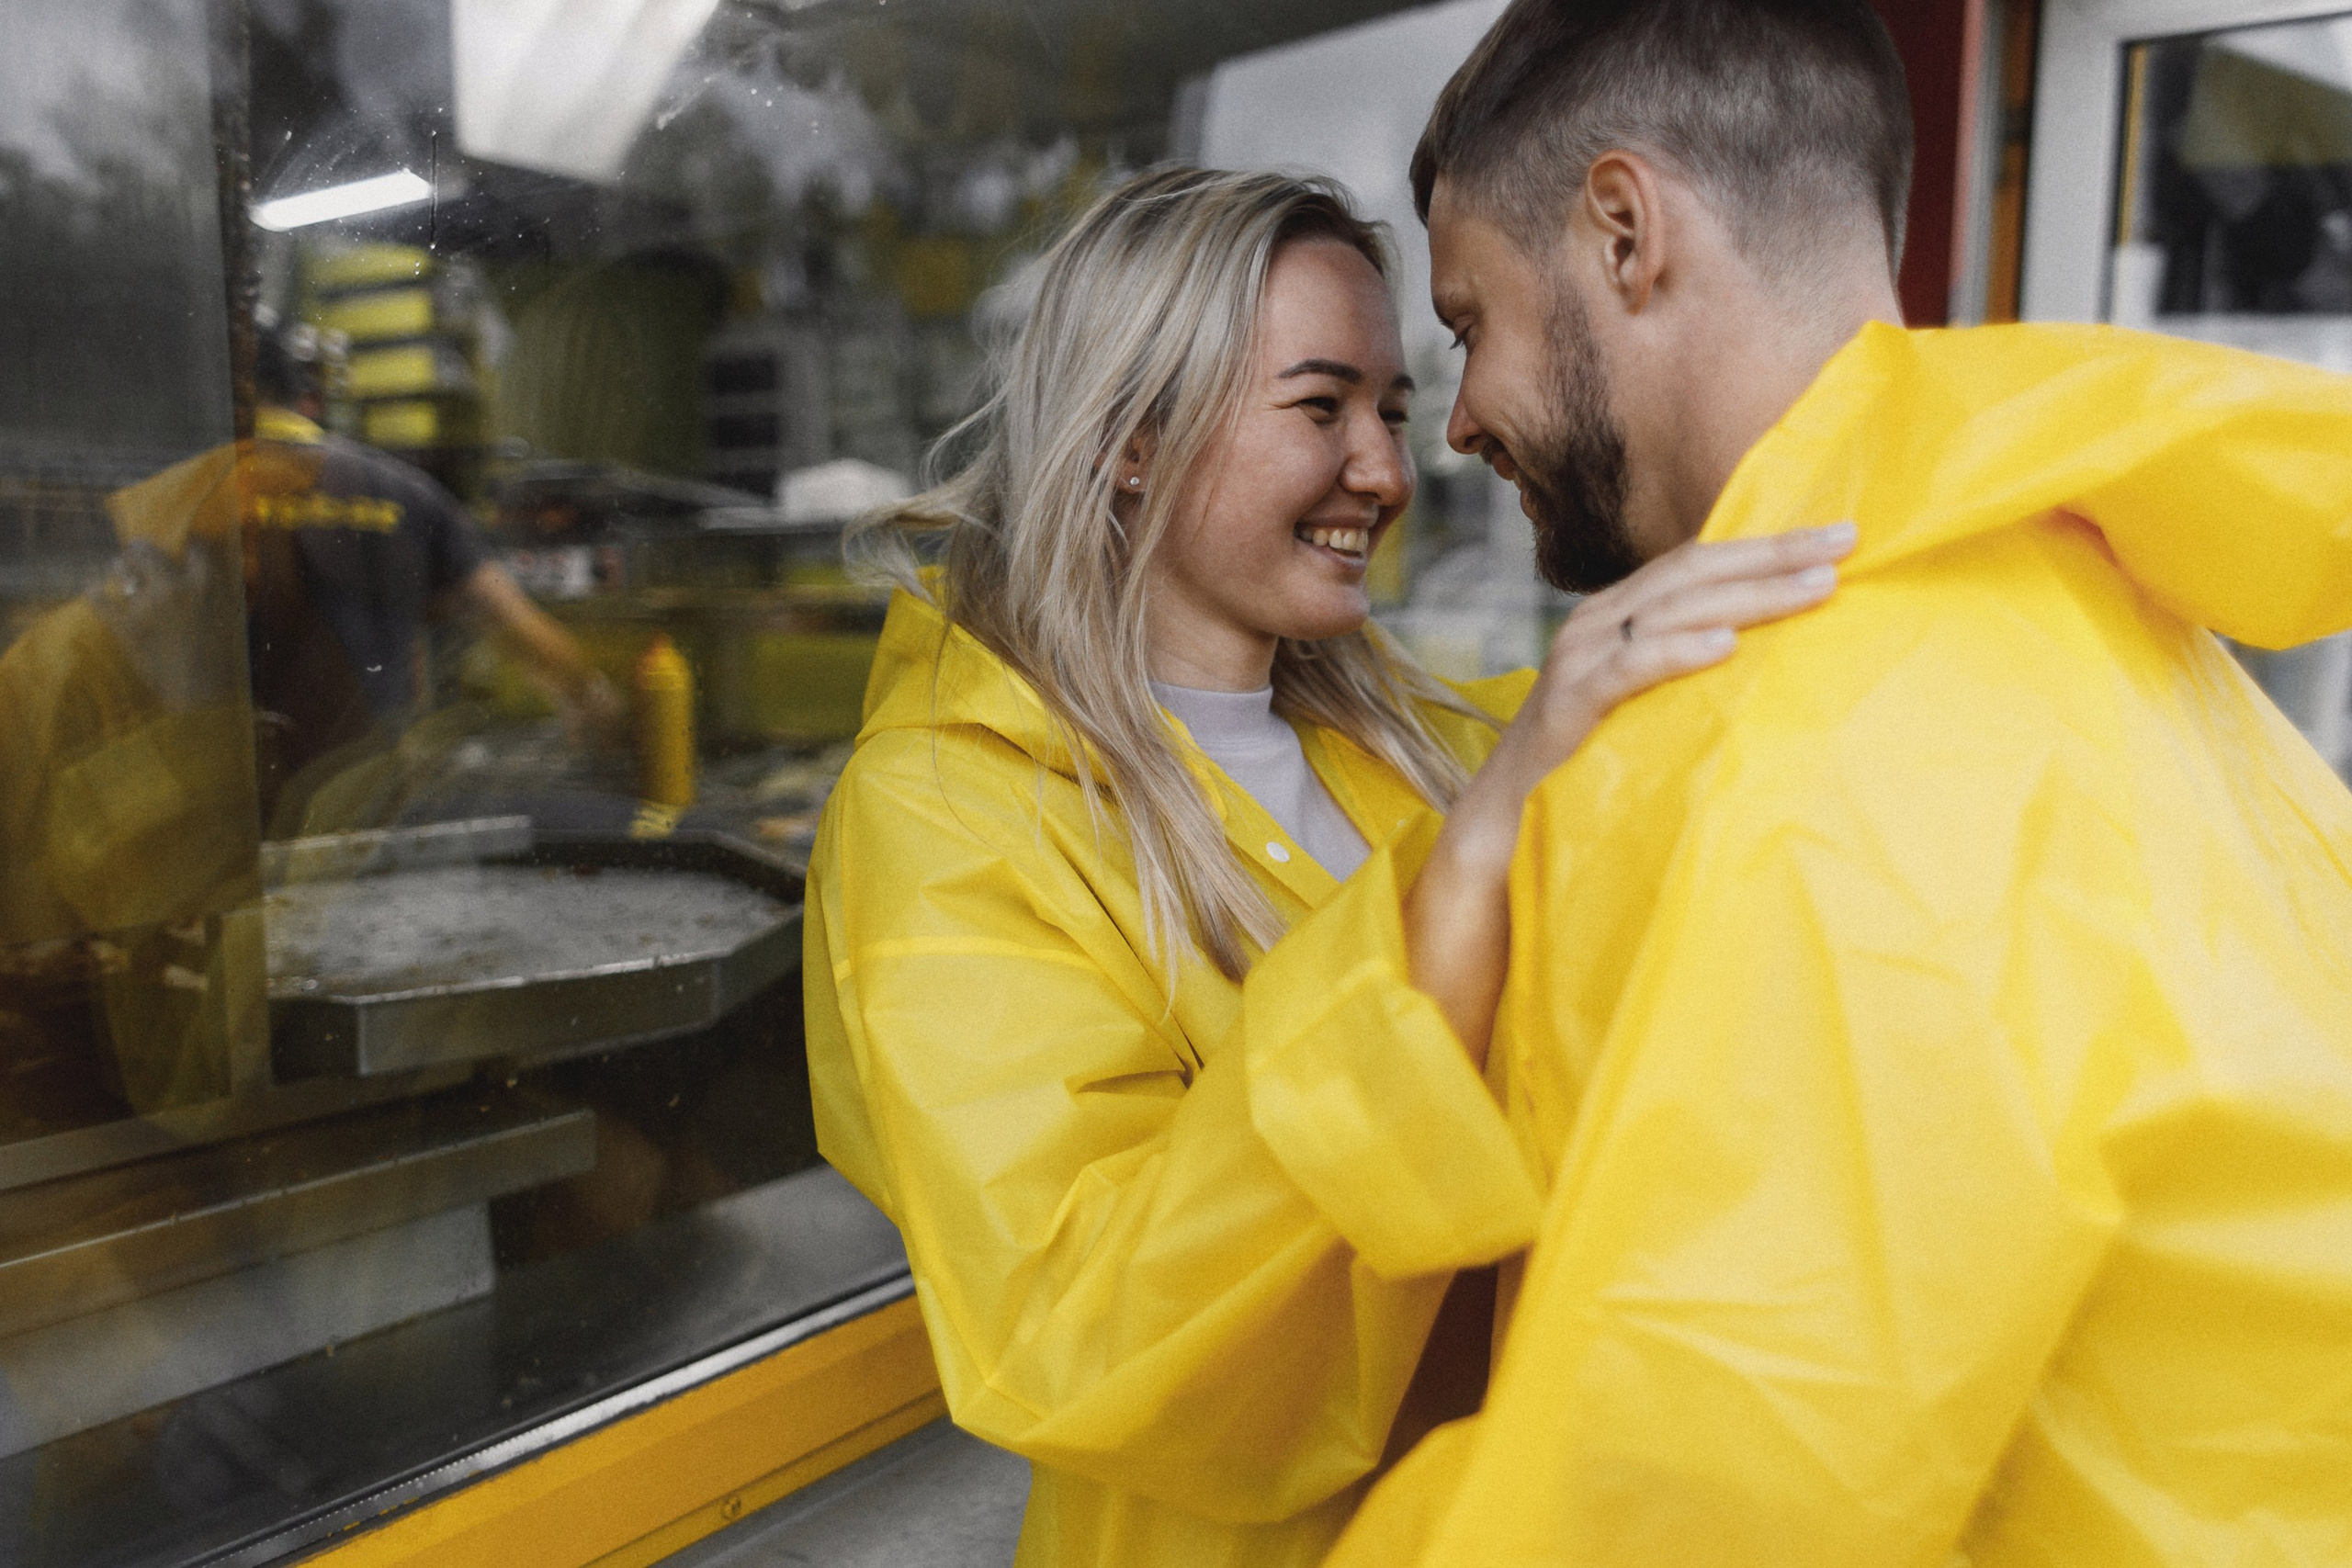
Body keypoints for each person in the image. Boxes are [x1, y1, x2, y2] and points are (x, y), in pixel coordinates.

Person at [1323, 4, 2352, 1565]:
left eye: (1470, 324)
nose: (1456, 421)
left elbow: (1688, 1490)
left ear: (1624, 231)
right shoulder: (2102, 616)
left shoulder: (1826, 739)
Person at [802, 166, 1849, 1568]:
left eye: (1395, 411)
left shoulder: (1425, 738)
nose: (1387, 471)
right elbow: (1075, 1323)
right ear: (1132, 437)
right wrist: (1454, 886)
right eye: (1321, 407)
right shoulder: (949, 813)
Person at [233, 329, 622, 829]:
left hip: (234, 821)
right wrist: (592, 698)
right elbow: (517, 626)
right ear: (306, 400)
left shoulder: (191, 495)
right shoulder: (403, 492)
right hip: (366, 812)